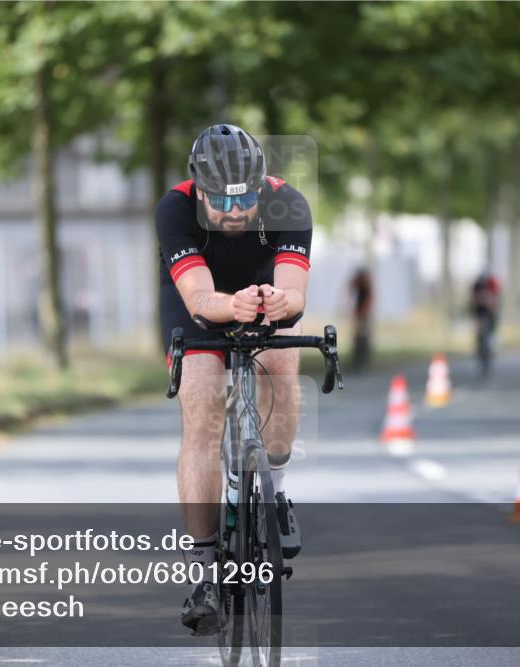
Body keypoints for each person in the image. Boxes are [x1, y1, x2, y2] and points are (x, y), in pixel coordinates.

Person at [156, 124, 312, 634]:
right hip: (197, 306)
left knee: (284, 366)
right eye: (220, 197)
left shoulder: (289, 204)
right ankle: (202, 571)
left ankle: (277, 489)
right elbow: (200, 299)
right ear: (198, 188)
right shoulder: (174, 209)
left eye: (244, 194)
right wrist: (230, 305)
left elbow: (295, 292)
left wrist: (278, 303)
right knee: (202, 411)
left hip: (264, 298)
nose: (234, 208)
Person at [469, 269, 501, 358]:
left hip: (490, 311)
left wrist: (492, 306)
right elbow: (473, 299)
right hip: (480, 310)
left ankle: (493, 346)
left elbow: (496, 298)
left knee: (493, 329)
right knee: (478, 328)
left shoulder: (492, 284)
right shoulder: (477, 285)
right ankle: (478, 346)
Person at [348, 266, 374, 369]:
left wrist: (363, 311)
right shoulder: (359, 284)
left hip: (364, 314)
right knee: (357, 336)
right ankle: (357, 359)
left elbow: (369, 300)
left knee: (363, 336)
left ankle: (363, 359)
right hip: (359, 313)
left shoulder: (366, 286)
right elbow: (350, 287)